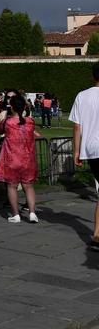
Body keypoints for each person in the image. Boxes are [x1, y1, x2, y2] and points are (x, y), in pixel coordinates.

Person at [0, 94, 38, 223]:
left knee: (11, 186)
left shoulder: (7, 122)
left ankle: (15, 214)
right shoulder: (30, 121)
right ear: (24, 107)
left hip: (12, 158)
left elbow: (0, 131)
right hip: (28, 159)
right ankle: (32, 213)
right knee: (28, 186)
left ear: (11, 107)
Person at [71, 63, 99, 251]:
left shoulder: (82, 95)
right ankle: (97, 234)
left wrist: (76, 151)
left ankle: (97, 233)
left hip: (91, 148)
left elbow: (77, 127)